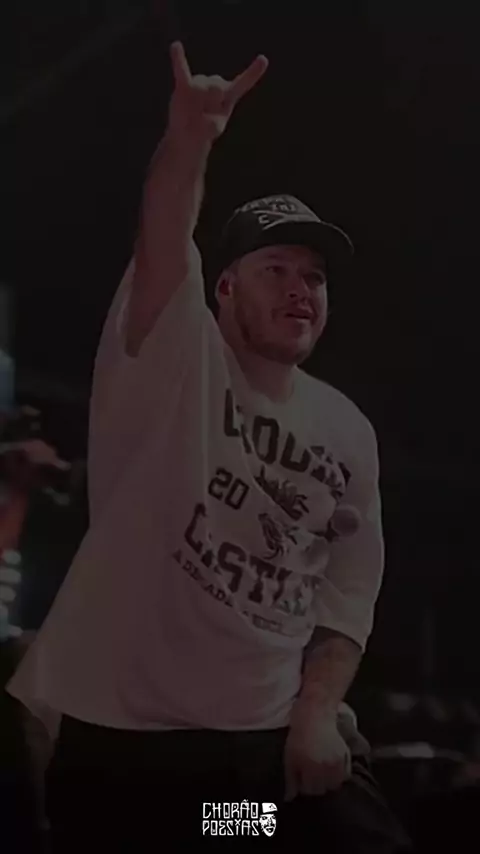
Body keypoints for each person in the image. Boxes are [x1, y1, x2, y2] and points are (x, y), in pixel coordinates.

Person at [6, 43, 412, 850]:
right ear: (224, 287)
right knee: (205, 835)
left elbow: (347, 591)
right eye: (276, 268)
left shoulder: (346, 428)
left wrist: (317, 714)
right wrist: (190, 141)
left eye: (314, 277)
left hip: (265, 756)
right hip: (136, 760)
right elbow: (164, 234)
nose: (300, 288)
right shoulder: (173, 358)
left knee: (336, 835)